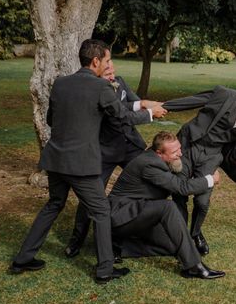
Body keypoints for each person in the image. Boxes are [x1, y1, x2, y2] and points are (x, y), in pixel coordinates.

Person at [10, 39, 164, 284]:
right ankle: (104, 270)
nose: (108, 64)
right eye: (107, 59)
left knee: (54, 204)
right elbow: (123, 117)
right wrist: (149, 113)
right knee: (101, 211)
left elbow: (51, 119)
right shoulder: (101, 88)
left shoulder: (60, 83)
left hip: (55, 159)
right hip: (81, 164)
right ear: (96, 61)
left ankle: (23, 258)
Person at [163, 81, 236, 255]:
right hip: (189, 145)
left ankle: (195, 233)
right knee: (179, 194)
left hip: (212, 155)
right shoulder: (225, 95)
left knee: (202, 201)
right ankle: (180, 237)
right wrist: (163, 106)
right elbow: (195, 100)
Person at [64, 60, 164, 259]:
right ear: (97, 73)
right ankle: (77, 239)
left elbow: (133, 104)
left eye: (113, 70)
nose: (112, 75)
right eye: (107, 71)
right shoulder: (93, 91)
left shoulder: (119, 82)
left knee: (152, 182)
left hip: (130, 146)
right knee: (91, 196)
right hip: (105, 150)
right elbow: (120, 114)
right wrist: (149, 113)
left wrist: (142, 103)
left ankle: (138, 232)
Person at [109, 132, 224, 279]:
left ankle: (120, 247)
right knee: (167, 207)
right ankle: (194, 267)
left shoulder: (162, 161)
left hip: (141, 212)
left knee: (174, 246)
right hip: (121, 217)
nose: (180, 154)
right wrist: (210, 179)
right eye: (175, 152)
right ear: (159, 153)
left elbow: (178, 181)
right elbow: (182, 187)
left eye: (180, 149)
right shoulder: (149, 164)